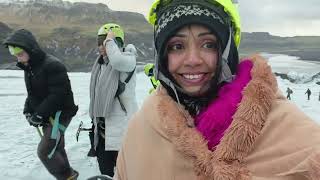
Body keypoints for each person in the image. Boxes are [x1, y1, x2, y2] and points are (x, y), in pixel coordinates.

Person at [114, 1, 320, 179]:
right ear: (162, 56)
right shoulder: (142, 129)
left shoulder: (288, 128)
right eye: (177, 46)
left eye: (208, 44)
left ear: (227, 50)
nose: (193, 60)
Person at [3, 29, 79, 180]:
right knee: (56, 147)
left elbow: (57, 95)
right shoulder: (29, 66)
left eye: (20, 54)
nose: (18, 59)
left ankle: (67, 177)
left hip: (60, 114)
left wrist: (39, 114)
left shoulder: (53, 66)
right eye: (15, 55)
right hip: (47, 114)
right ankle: (70, 175)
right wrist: (28, 110)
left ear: (30, 49)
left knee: (45, 151)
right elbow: (33, 93)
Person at [88, 23, 138, 177]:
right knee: (105, 172)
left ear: (116, 42)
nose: (101, 46)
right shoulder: (101, 64)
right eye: (99, 42)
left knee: (124, 172)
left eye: (104, 41)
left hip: (121, 128)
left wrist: (109, 41)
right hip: (102, 129)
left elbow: (117, 61)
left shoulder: (128, 59)